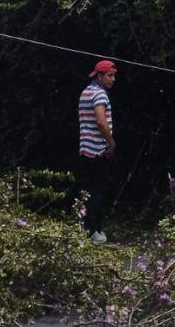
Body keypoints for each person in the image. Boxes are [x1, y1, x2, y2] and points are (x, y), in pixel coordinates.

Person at [78, 59, 117, 244]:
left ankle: (85, 228)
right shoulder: (100, 95)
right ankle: (94, 231)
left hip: (86, 149)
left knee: (88, 190)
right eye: (110, 75)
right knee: (98, 192)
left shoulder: (86, 92)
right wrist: (111, 143)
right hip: (98, 150)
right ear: (100, 76)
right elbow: (101, 122)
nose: (113, 79)